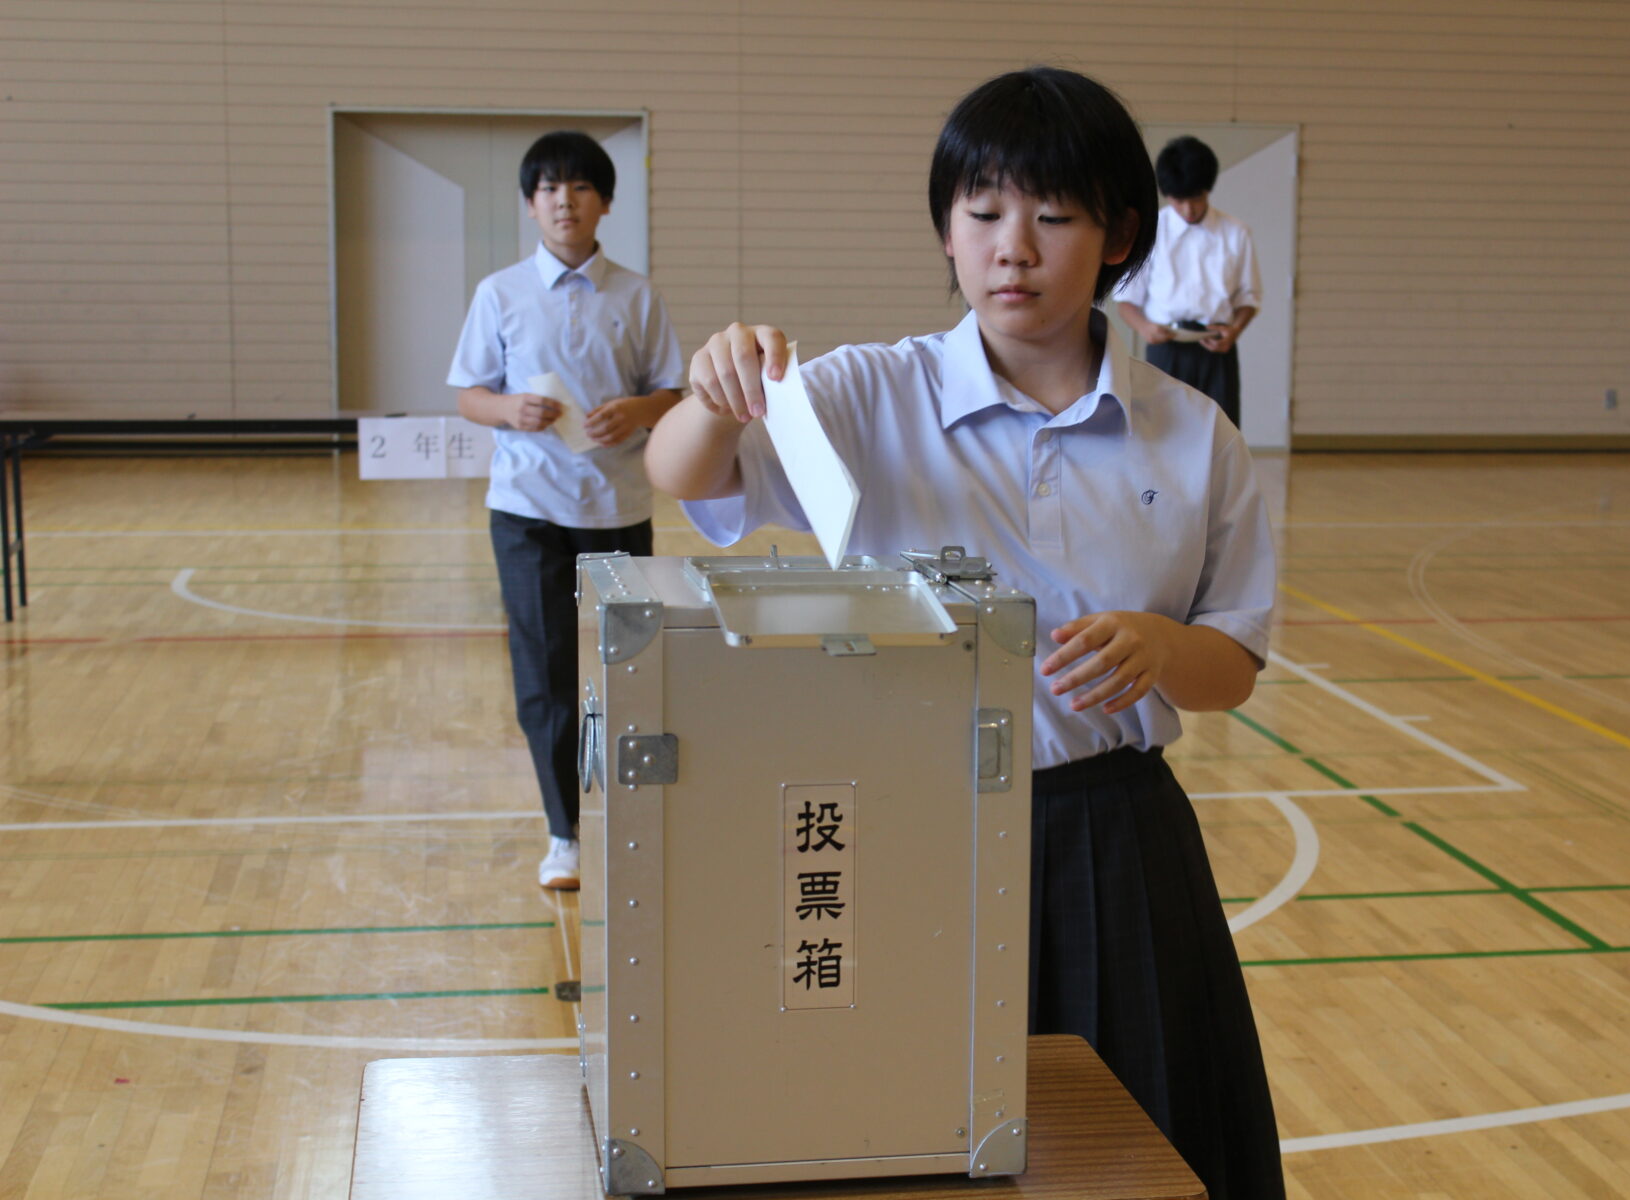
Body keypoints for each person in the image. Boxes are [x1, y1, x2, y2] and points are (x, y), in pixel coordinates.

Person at [646, 68, 1285, 1199]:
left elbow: (1230, 663)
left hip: (1112, 843)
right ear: (946, 229)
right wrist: (708, 391)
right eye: (983, 214)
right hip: (908, 825)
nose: (1014, 250)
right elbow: (690, 476)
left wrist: (1156, 643)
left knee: (1132, 1146)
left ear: (1118, 233)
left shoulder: (1192, 436)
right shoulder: (865, 393)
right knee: (900, 1137)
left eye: (1053, 216)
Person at [448, 130, 684, 888]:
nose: (563, 200)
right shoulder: (500, 294)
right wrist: (507, 409)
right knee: (546, 675)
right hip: (527, 513)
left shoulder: (637, 294)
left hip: (617, 505)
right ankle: (567, 832)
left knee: (627, 671)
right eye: (548, 188)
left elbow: (672, 393)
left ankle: (632, 816)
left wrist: (637, 412)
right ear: (529, 205)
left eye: (579, 187)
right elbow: (467, 393)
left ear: (605, 203)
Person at [1114, 136, 1260, 429]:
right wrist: (1145, 328)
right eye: (1179, 200)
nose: (1188, 209)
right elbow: (1126, 300)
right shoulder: (1152, 233)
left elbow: (1248, 298)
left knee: (1221, 432)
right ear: (1167, 195)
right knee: (1161, 431)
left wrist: (1235, 330)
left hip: (1216, 345)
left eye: (1196, 198)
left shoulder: (1235, 233)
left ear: (1208, 190)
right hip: (1166, 344)